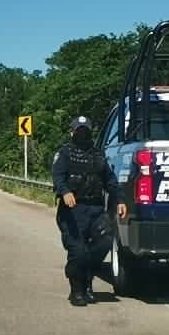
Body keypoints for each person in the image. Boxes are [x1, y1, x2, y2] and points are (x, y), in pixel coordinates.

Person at [52, 116, 127, 306]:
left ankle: (87, 280)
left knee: (104, 241)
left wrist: (119, 200)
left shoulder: (98, 155)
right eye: (79, 130)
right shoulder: (65, 153)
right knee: (78, 251)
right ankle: (77, 289)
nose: (82, 134)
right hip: (73, 211)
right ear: (72, 132)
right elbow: (58, 177)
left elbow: (110, 181)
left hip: (95, 209)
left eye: (85, 130)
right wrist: (65, 191)